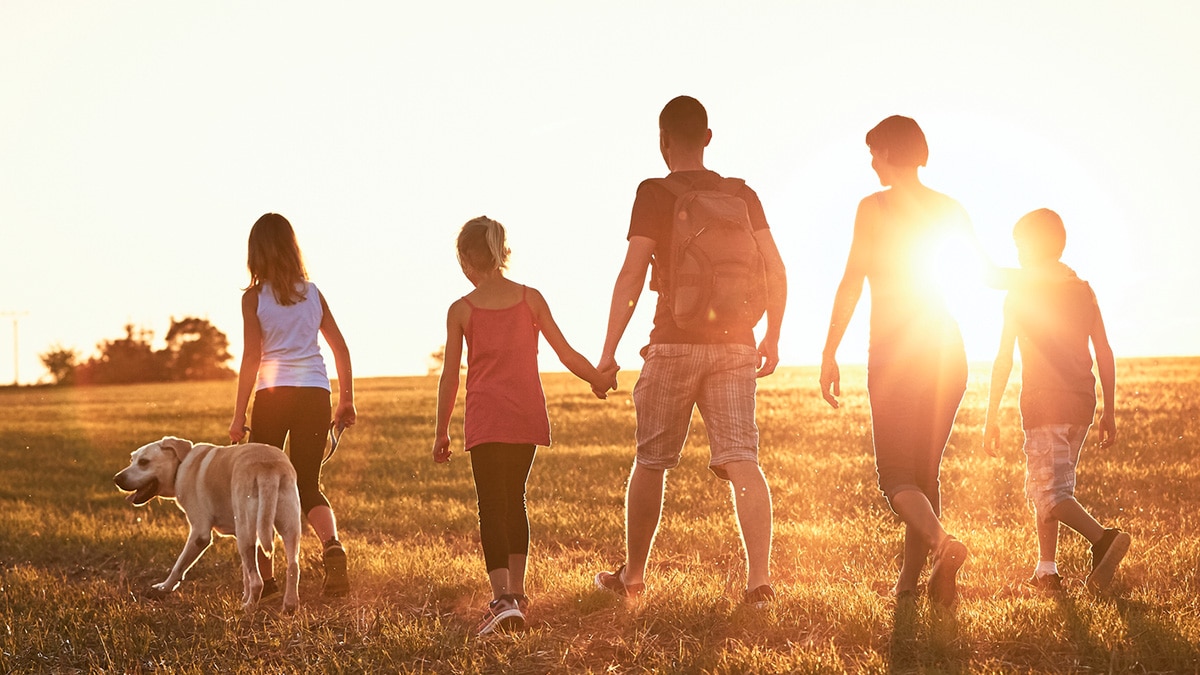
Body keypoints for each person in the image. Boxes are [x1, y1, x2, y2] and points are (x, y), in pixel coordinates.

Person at [593, 95, 788, 606]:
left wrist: (608, 352)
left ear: (662, 142)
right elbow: (776, 266)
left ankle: (633, 577)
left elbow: (633, 273)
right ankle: (759, 582)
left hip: (673, 342)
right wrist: (773, 335)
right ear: (707, 137)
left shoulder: (654, 192)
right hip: (736, 343)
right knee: (743, 459)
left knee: (652, 460)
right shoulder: (741, 194)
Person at [819, 115, 987, 607]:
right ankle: (912, 587)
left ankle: (942, 544)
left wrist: (829, 350)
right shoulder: (950, 208)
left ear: (891, 152)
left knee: (895, 476)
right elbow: (986, 272)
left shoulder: (874, 208)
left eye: (874, 153)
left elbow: (852, 279)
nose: (871, 163)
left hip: (897, 357)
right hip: (948, 353)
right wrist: (1042, 278)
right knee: (923, 475)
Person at [433, 216, 613, 636]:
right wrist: (599, 380)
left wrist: (442, 431)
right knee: (515, 499)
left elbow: (450, 376)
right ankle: (517, 594)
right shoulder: (530, 299)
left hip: (486, 417)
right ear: (502, 252)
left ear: (464, 260)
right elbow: (566, 352)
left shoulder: (461, 309)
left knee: (490, 506)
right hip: (525, 414)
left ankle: (502, 601)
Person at [983, 208, 1128, 594]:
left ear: (1033, 245)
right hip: (1082, 403)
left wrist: (990, 414)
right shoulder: (1083, 288)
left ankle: (1103, 540)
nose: (1016, 253)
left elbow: (1003, 357)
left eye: (1019, 245)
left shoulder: (1021, 289)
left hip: (1044, 403)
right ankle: (1047, 570)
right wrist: (1109, 410)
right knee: (1051, 484)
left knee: (1048, 492)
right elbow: (1104, 350)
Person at [229, 212, 357, 598]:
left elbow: (252, 356)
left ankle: (265, 581)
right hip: (315, 393)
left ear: (256, 253)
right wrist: (346, 400)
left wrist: (239, 416)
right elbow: (340, 348)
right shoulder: (313, 293)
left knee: (259, 484)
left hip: (272, 395)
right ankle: (332, 546)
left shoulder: (254, 298)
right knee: (307, 481)